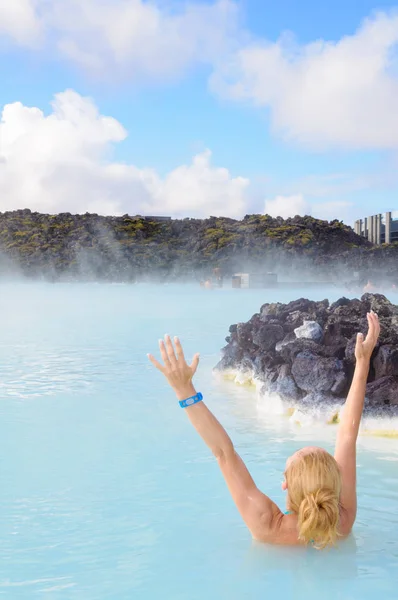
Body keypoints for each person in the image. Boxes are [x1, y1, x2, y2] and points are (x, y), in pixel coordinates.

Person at [148, 311, 380, 549]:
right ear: (336, 485)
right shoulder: (343, 521)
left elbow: (223, 452)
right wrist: (363, 362)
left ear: (285, 484)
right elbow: (347, 435)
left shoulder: (268, 526)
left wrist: (183, 389)